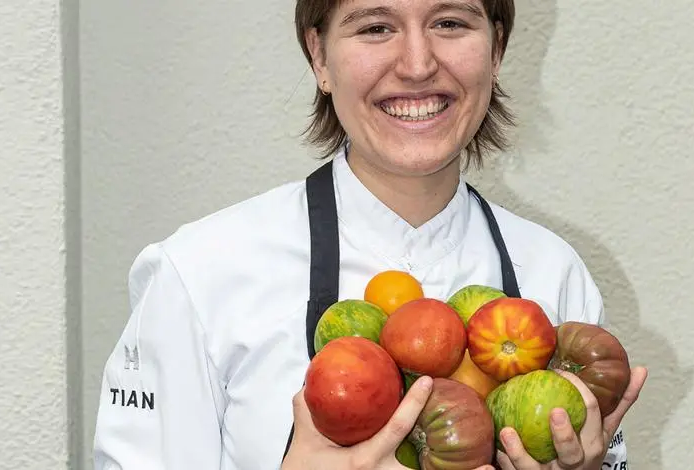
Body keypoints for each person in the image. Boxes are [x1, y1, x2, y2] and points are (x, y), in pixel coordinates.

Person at [91, 0, 648, 468]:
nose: (417, 64)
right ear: (319, 57)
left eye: (450, 22)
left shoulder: (554, 273)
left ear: (496, 50)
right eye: (375, 27)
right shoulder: (200, 273)